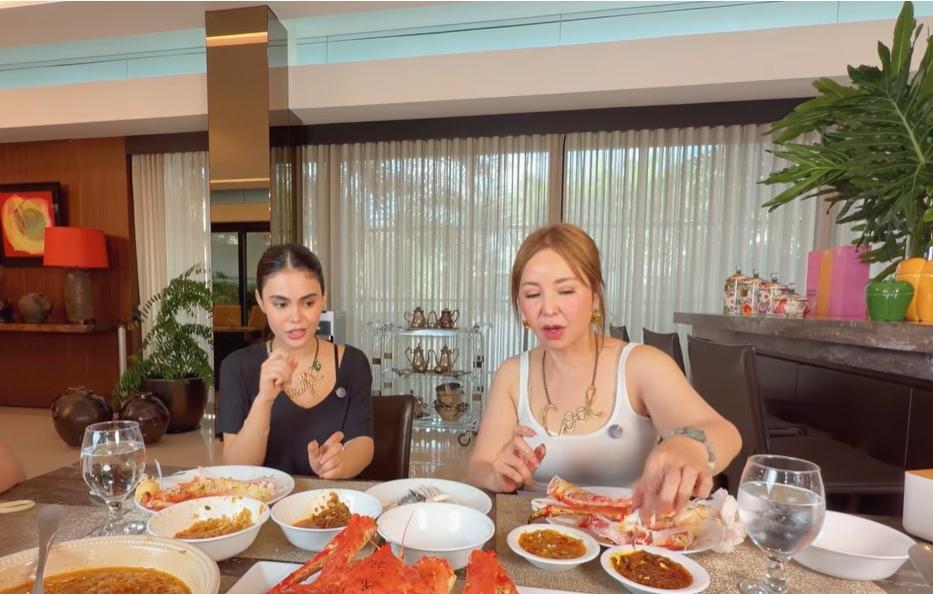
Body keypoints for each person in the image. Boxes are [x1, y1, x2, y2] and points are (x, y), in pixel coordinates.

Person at [466, 223, 741, 520]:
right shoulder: (512, 374)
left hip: (625, 539)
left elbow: (723, 432)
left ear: (595, 295)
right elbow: (479, 467)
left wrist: (692, 447)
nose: (548, 308)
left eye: (566, 290)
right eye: (532, 294)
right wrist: (496, 474)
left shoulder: (640, 365)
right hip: (533, 535)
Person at [218, 244, 374, 478]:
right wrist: (264, 400)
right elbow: (237, 467)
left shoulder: (353, 363)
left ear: (323, 296)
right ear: (261, 301)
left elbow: (363, 442)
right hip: (266, 500)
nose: (296, 318)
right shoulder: (236, 367)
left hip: (331, 498)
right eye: (281, 304)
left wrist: (341, 462)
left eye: (308, 303)